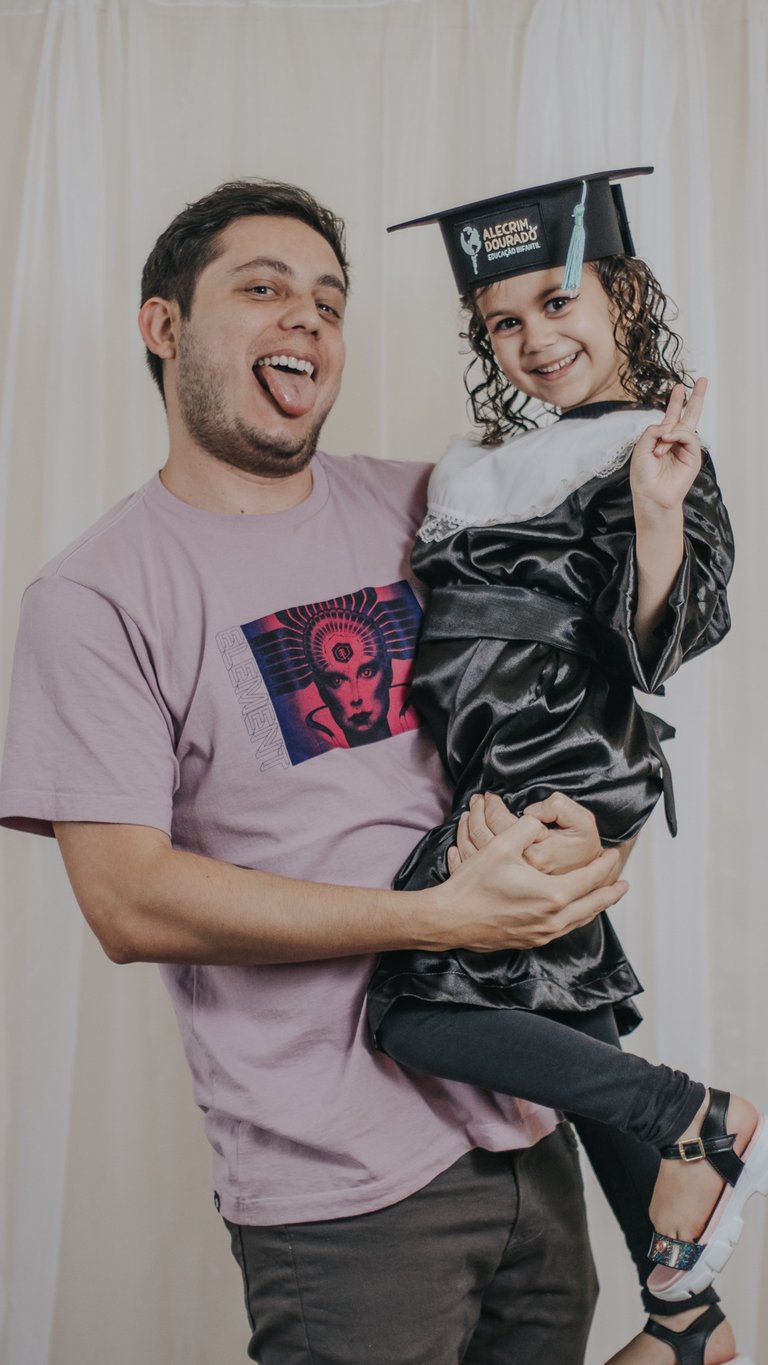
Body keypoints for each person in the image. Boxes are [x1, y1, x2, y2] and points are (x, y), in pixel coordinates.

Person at [0, 179, 633, 1365]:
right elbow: (128, 901)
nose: (306, 318)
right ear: (164, 325)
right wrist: (439, 917)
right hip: (343, 1190)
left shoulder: (433, 504)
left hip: (528, 1121)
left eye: (329, 302)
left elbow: (592, 668)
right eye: (263, 287)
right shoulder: (93, 599)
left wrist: (594, 837)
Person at [368, 169, 766, 1364]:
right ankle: (686, 1319)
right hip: (502, 766)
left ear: (621, 294)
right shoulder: (498, 462)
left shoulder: (653, 450)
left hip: (555, 757)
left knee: (413, 1009)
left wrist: (657, 510)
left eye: (557, 300)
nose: (535, 338)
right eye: (504, 321)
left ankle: (696, 1117)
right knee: (568, 1010)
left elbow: (659, 642)